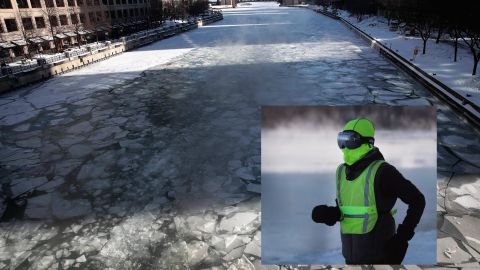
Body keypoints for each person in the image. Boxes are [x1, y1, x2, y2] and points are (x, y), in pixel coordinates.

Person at [311, 118, 425, 264]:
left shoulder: (383, 172)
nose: (344, 146)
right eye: (341, 140)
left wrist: (402, 238)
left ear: (368, 143)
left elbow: (417, 200)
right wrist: (332, 214)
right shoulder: (341, 172)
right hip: (350, 258)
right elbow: (352, 209)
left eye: (351, 140)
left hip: (381, 259)